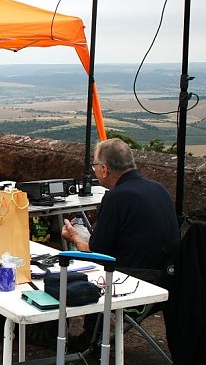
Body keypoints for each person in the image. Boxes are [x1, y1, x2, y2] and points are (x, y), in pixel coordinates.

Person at [60, 138, 180, 349]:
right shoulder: (159, 188)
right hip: (172, 278)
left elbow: (96, 253)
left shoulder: (116, 197)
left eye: (95, 166)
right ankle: (93, 335)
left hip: (138, 283)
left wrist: (74, 237)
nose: (95, 171)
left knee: (82, 270)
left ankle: (90, 338)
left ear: (104, 169)